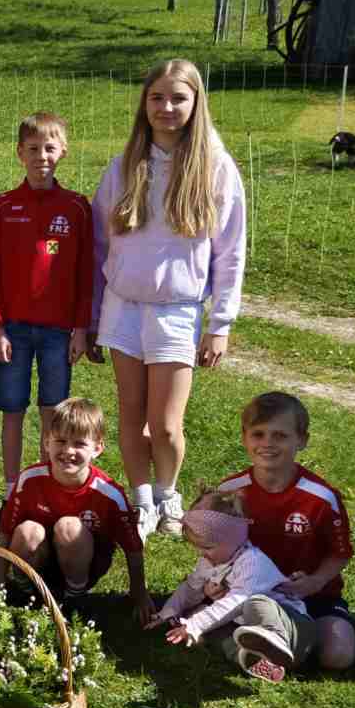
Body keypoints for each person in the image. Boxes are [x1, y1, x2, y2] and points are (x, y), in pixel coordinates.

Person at [90, 59, 245, 540]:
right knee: (131, 415)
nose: (167, 107)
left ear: (196, 103)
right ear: (144, 103)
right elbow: (99, 245)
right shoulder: (123, 167)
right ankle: (142, 501)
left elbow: (231, 252)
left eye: (178, 98)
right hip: (123, 307)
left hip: (177, 311)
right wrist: (93, 314)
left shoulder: (215, 167)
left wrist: (220, 324)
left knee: (166, 425)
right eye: (156, 97)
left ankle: (167, 494)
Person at [0, 112, 94, 494]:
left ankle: (47, 483)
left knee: (53, 411)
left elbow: (85, 273)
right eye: (33, 149)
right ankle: (12, 488)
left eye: (49, 148)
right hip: (13, 329)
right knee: (12, 409)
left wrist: (80, 327)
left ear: (63, 151)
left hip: (58, 331)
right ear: (20, 153)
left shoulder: (77, 207)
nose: (41, 156)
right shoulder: (2, 206)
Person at [216, 391, 355, 670]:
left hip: (311, 597)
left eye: (280, 436)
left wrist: (314, 582)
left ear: (302, 440)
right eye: (258, 434)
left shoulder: (321, 498)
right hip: (247, 594)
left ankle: (277, 643)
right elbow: (213, 544)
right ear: (244, 438)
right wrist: (218, 581)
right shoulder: (229, 491)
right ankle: (272, 647)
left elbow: (340, 553)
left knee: (338, 655)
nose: (267, 443)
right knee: (196, 625)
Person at [0, 397, 155, 625]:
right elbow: (5, 532)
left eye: (79, 444)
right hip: (40, 559)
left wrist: (139, 593)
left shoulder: (109, 494)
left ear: (97, 448)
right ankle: (25, 590)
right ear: (47, 442)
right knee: (28, 531)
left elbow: (133, 548)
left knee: (69, 527)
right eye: (60, 441)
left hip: (83, 564)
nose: (68, 451)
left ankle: (74, 599)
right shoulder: (29, 480)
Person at [153, 490, 313, 683]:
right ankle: (251, 658)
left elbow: (235, 602)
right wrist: (169, 612)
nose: (202, 553)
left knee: (255, 603)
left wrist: (195, 625)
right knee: (214, 631)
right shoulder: (210, 561)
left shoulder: (252, 562)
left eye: (207, 547)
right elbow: (190, 588)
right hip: (251, 630)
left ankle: (276, 638)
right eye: (197, 547)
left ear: (233, 539)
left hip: (296, 630)